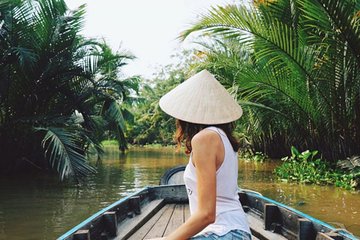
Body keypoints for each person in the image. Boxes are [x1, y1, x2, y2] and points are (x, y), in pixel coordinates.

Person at [151, 69, 251, 240]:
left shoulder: (205, 138)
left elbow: (207, 214)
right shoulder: (221, 137)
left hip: (225, 232)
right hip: (233, 231)